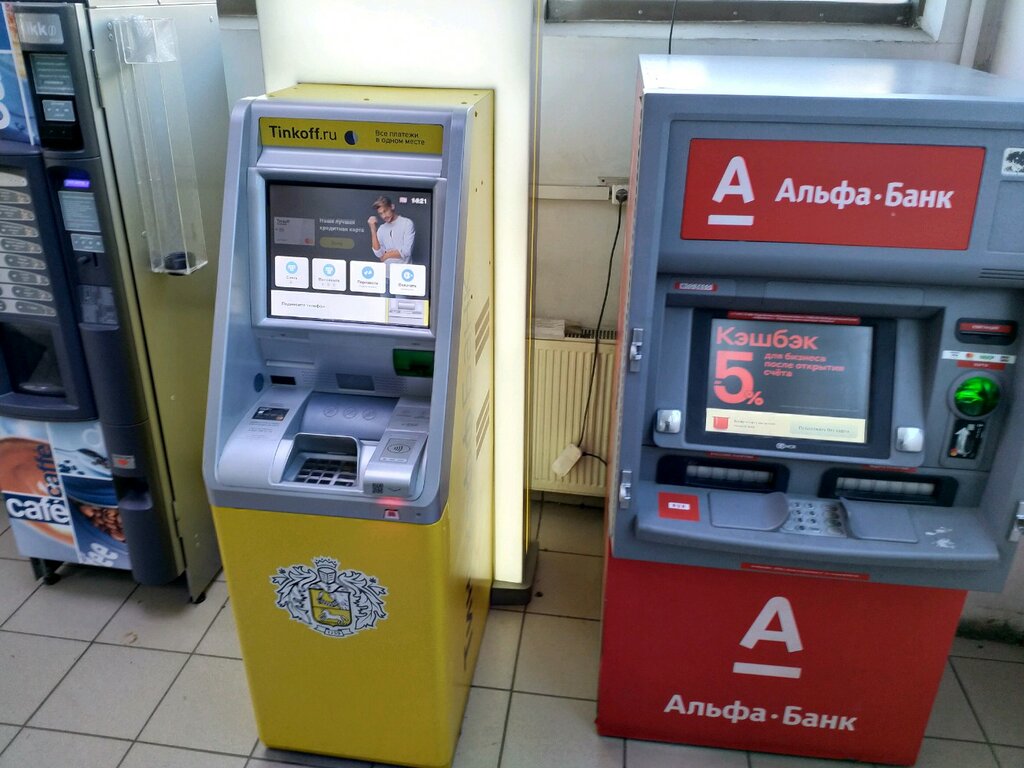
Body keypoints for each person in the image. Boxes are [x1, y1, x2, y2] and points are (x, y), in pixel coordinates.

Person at [367, 196, 415, 263]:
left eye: (385, 211)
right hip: (386, 269)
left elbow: (407, 251)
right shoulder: (381, 229)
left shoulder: (407, 223)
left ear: (392, 207)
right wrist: (373, 229)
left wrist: (386, 255)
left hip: (404, 269)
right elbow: (378, 253)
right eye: (381, 213)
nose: (384, 216)